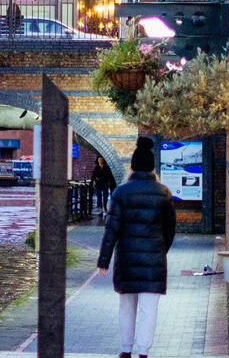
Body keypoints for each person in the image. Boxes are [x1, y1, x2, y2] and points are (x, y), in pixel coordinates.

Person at [96, 138, 176, 358]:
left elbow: (111, 229)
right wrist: (160, 250)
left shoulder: (121, 193)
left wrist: (104, 260)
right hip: (153, 262)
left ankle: (125, 350)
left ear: (132, 166)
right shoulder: (164, 194)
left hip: (127, 260)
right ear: (152, 167)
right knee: (149, 309)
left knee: (126, 306)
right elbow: (170, 231)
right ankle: (143, 351)